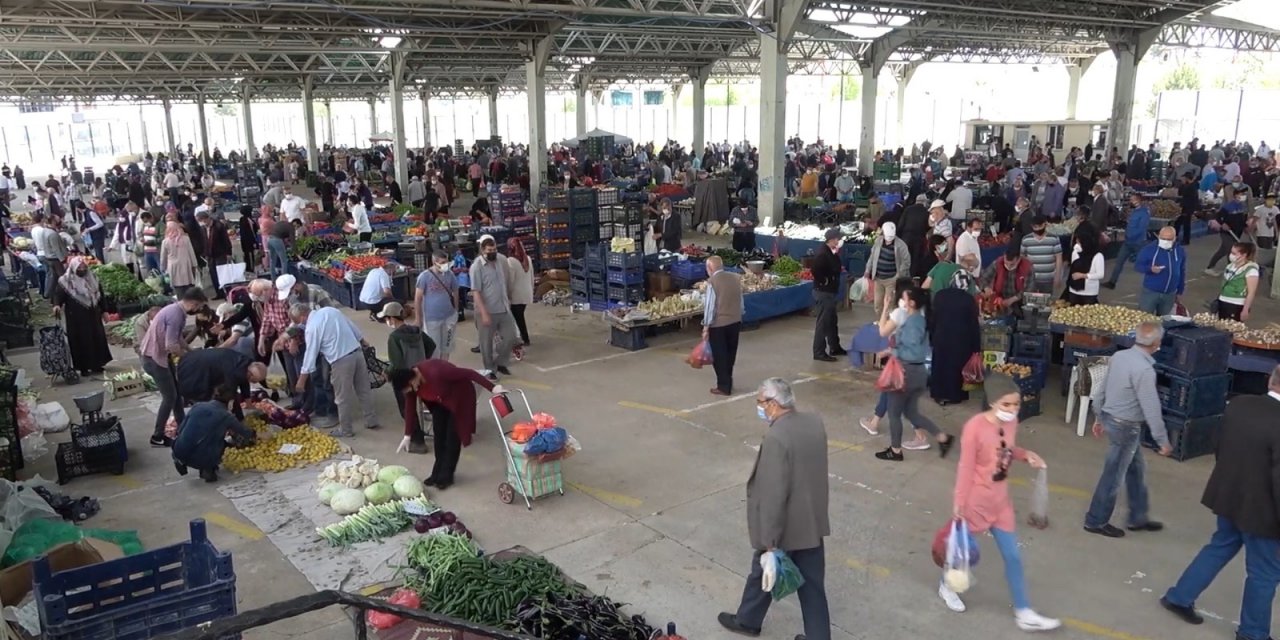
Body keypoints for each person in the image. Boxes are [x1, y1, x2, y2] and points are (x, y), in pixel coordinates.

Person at [1161, 365, 1280, 640]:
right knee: (1264, 574)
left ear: (1270, 380)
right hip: (1263, 514)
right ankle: (1253, 633)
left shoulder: (1238, 405)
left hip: (1228, 496)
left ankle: (1179, 597)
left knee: (1219, 546)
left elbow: (1219, 446)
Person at [943, 374, 1060, 631]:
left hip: (1000, 502)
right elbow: (966, 467)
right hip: (976, 501)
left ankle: (1024, 611)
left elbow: (1006, 450)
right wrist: (959, 502)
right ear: (993, 402)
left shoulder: (1012, 423)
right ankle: (947, 587)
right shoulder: (974, 428)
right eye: (1006, 404)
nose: (1012, 410)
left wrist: (1025, 454)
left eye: (1016, 404)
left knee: (1013, 556)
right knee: (964, 553)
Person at [718, 378, 831, 640]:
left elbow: (772, 494)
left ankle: (747, 621)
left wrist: (770, 542)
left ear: (773, 404)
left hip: (785, 527)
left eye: (760, 403)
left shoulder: (776, 438)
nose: (759, 408)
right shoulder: (814, 423)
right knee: (813, 586)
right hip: (812, 522)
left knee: (764, 569)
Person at [1084, 321, 1172, 538]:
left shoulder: (1120, 357)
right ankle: (1096, 520)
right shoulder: (1144, 370)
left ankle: (1138, 516)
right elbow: (1151, 407)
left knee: (1136, 469)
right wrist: (1162, 440)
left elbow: (1102, 388)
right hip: (1126, 428)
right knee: (1113, 475)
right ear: (1157, 343)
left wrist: (1098, 415)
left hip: (1112, 420)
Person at [390, 362, 503, 489]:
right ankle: (436, 473)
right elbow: (409, 408)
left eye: (412, 387)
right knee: (439, 437)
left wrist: (492, 388)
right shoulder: (410, 384)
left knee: (452, 438)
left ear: (414, 378)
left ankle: (447, 476)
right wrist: (407, 434)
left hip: (459, 398)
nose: (414, 390)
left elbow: (469, 373)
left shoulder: (435, 372)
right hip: (439, 401)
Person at [874, 286, 953, 460]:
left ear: (912, 302)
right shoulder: (922, 320)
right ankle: (942, 437)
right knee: (911, 413)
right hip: (919, 373)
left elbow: (910, 348)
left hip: (905, 373)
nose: (901, 299)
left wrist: (890, 352)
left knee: (894, 413)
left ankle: (895, 450)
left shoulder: (912, 323)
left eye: (905, 297)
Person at [292, 304, 379, 437]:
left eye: (298, 322)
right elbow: (351, 325)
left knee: (342, 397)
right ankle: (371, 420)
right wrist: (362, 341)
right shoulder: (330, 310)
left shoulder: (312, 328)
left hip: (341, 360)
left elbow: (310, 354)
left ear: (303, 316)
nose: (300, 325)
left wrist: (301, 380)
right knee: (364, 390)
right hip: (357, 353)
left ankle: (346, 429)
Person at [139, 288, 208, 447]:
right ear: (193, 303)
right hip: (154, 359)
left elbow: (178, 338)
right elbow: (171, 345)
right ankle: (157, 436)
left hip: (160, 357)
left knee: (176, 393)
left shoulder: (176, 311)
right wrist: (188, 357)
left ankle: (182, 427)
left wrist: (191, 352)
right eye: (199, 307)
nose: (198, 310)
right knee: (169, 397)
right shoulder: (176, 314)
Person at [172, 386, 257, 483]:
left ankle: (180, 460)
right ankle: (207, 468)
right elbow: (245, 433)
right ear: (230, 402)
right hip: (199, 458)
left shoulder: (198, 406)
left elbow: (180, 429)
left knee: (203, 436)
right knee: (226, 444)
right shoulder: (226, 416)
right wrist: (256, 434)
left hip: (178, 450)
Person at [381, 302, 433, 454]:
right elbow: (431, 345)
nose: (387, 322)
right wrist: (422, 361)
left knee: (407, 409)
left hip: (405, 377)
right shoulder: (416, 330)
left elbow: (396, 364)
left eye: (386, 319)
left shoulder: (394, 338)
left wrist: (387, 372)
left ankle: (418, 441)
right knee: (431, 403)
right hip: (422, 374)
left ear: (392, 319)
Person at [50, 256, 112, 376]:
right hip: (76, 318)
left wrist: (105, 311)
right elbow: (58, 295)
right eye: (79, 267)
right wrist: (56, 305)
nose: (82, 269)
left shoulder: (92, 278)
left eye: (84, 267)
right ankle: (83, 367)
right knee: (81, 341)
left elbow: (101, 295)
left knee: (96, 338)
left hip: (93, 315)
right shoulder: (66, 281)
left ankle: (97, 365)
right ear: (73, 268)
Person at [470, 235, 518, 379]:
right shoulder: (476, 267)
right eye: (489, 250)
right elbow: (476, 292)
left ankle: (501, 362)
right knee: (486, 344)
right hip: (487, 311)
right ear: (482, 250)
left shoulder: (499, 261)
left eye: (495, 249)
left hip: (503, 308)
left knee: (511, 337)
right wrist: (484, 313)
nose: (493, 252)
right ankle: (490, 369)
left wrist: (508, 299)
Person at [175, 348, 267, 417]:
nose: (253, 383)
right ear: (250, 374)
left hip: (193, 359)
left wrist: (249, 404)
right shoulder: (234, 372)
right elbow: (231, 396)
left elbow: (244, 382)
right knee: (204, 406)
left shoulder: (245, 363)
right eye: (254, 381)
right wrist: (239, 420)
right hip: (194, 371)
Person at [929, 286, 981, 405]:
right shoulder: (968, 299)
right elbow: (973, 324)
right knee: (956, 367)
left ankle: (939, 393)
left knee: (940, 365)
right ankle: (955, 395)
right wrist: (976, 347)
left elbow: (933, 318)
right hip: (961, 339)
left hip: (941, 336)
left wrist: (931, 336)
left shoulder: (940, 295)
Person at [702, 256, 744, 396]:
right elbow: (741, 301)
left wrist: (706, 327)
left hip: (719, 324)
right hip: (735, 321)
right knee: (730, 353)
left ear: (710, 268)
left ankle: (723, 386)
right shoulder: (735, 278)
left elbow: (710, 307)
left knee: (719, 356)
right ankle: (728, 381)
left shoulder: (712, 282)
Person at [414, 250, 459, 361]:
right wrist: (418, 318)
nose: (445, 265)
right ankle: (435, 373)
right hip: (431, 319)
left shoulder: (450, 274)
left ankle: (444, 369)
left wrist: (456, 311)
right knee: (434, 348)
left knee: (447, 346)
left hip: (449, 317)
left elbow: (456, 291)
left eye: (447, 262)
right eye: (443, 262)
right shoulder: (424, 277)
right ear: (434, 262)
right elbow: (418, 298)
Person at [1133, 226, 1186, 316]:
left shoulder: (1180, 251)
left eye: (1168, 239)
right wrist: (1150, 269)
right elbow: (1138, 266)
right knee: (1144, 319)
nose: (1165, 241)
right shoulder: (1148, 249)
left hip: (1170, 294)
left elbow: (1181, 271)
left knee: (1164, 321)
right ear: (1158, 236)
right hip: (1151, 292)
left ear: (1175, 238)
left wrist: (1180, 291)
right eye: (1163, 238)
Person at [1103, 192, 1151, 289]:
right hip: (1128, 242)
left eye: (1133, 200)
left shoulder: (1144, 213)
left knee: (1144, 264)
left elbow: (1141, 229)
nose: (1131, 201)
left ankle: (1150, 284)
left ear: (1138, 201)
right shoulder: (1134, 212)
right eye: (1131, 199)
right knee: (1119, 262)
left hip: (1138, 243)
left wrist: (1129, 236)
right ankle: (1112, 282)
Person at [811, 228, 844, 362]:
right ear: (831, 240)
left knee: (831, 321)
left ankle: (834, 346)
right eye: (837, 238)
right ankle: (819, 351)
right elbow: (815, 270)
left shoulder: (831, 252)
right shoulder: (822, 254)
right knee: (823, 322)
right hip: (823, 292)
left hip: (830, 291)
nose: (839, 240)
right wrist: (824, 281)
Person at [862, 222, 910, 316]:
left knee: (889, 303)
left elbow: (906, 261)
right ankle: (881, 321)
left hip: (892, 279)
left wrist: (898, 275)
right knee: (877, 304)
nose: (889, 241)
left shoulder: (901, 245)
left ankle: (888, 324)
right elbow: (872, 256)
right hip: (878, 278)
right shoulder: (878, 241)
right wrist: (868, 270)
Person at [1206, 192, 1249, 276]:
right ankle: (1232, 270)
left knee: (1222, 251)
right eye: (1240, 194)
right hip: (1227, 233)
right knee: (1231, 250)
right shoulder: (1228, 206)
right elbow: (1218, 217)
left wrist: (1245, 226)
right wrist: (1223, 223)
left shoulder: (1242, 206)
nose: (1242, 196)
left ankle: (1209, 267)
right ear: (1235, 196)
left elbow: (1242, 219)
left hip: (1237, 233)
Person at [981, 246, 1032, 315]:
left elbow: (1028, 290)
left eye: (1012, 264)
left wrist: (1012, 299)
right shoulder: (998, 263)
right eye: (1006, 263)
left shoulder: (1027, 267)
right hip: (1000, 299)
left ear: (1018, 259)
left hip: (1019, 301)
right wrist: (986, 288)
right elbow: (984, 278)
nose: (1008, 266)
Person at [1216, 242, 1259, 321]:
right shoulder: (1230, 266)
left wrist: (1245, 309)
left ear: (1244, 255)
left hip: (1236, 304)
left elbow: (1251, 292)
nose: (1231, 255)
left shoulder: (1251, 270)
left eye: (1234, 253)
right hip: (1223, 301)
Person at [504, 238, 535, 347]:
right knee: (519, 316)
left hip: (516, 295)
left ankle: (523, 339)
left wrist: (507, 294)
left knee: (517, 318)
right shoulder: (528, 259)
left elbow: (511, 281)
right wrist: (532, 289)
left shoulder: (511, 261)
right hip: (527, 292)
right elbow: (532, 277)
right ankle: (523, 337)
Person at [1066, 226, 1105, 305]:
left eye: (1079, 241)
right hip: (1073, 289)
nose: (1077, 243)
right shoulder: (1075, 252)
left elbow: (1100, 274)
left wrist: (1083, 275)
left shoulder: (1098, 256)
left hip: (1089, 292)